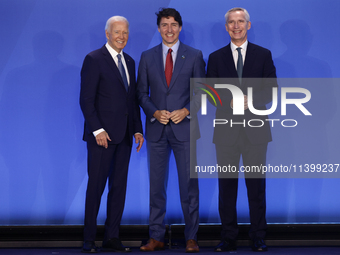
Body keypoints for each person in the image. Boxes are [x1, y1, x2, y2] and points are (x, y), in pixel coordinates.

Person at [206, 7, 277, 252]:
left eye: (240, 22)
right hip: (226, 132)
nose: (236, 26)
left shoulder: (263, 55)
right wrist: (231, 101)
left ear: (248, 25)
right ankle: (228, 237)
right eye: (231, 22)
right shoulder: (215, 58)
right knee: (227, 188)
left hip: (256, 132)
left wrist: (250, 100)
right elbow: (210, 94)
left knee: (256, 187)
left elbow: (271, 90)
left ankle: (258, 236)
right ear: (226, 27)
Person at [137, 8, 205, 253]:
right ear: (158, 28)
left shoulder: (195, 56)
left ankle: (191, 238)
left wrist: (186, 111)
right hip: (156, 130)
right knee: (156, 188)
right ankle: (156, 236)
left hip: (185, 129)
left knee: (189, 188)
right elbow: (141, 94)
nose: (169, 29)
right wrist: (154, 112)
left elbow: (201, 93)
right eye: (164, 24)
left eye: (174, 24)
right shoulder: (147, 56)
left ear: (180, 27)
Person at [79, 16, 144, 253]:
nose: (121, 37)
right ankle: (88, 239)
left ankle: (111, 237)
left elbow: (132, 100)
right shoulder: (94, 59)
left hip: (125, 137)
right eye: (117, 32)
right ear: (107, 34)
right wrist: (98, 129)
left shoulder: (130, 60)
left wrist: (137, 129)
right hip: (101, 138)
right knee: (95, 188)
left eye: (125, 32)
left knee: (119, 188)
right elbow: (86, 100)